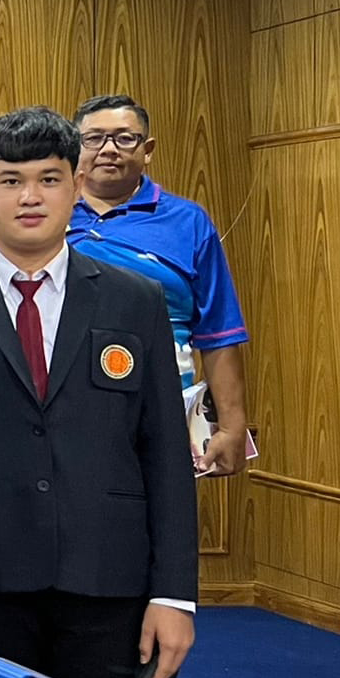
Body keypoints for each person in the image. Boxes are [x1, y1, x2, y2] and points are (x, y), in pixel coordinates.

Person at [0, 108, 197, 678]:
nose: (30, 196)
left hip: (108, 577)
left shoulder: (133, 300)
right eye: (10, 180)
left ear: (77, 184)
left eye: (50, 178)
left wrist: (175, 595)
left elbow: (164, 450)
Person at [69, 94, 250, 477]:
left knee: (162, 531)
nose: (108, 150)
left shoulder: (187, 221)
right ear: (75, 147)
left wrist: (232, 428)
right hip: (61, 411)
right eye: (94, 139)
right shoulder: (47, 213)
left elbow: (219, 332)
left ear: (147, 149)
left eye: (124, 138)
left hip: (161, 412)